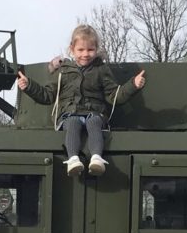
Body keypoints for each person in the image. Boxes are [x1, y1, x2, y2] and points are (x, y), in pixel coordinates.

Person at [18, 24, 146, 177]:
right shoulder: (63, 71)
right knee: (72, 123)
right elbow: (48, 95)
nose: (85, 54)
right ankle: (73, 159)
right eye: (80, 50)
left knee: (94, 123)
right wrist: (29, 86)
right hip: (69, 113)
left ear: (96, 49)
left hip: (94, 112)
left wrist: (133, 85)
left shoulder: (101, 70)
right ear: (72, 49)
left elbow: (114, 95)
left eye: (90, 49)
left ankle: (96, 158)